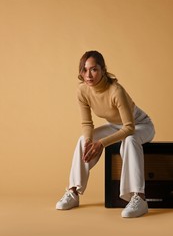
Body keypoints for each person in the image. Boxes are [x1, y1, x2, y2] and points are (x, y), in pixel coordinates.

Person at [56, 50, 155, 218]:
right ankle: (73, 191)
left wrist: (101, 143)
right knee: (83, 140)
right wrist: (90, 141)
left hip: (140, 125)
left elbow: (129, 128)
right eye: (84, 70)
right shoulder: (82, 91)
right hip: (115, 126)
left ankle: (139, 198)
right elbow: (87, 123)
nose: (88, 75)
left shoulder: (116, 90)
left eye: (94, 69)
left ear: (103, 70)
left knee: (130, 141)